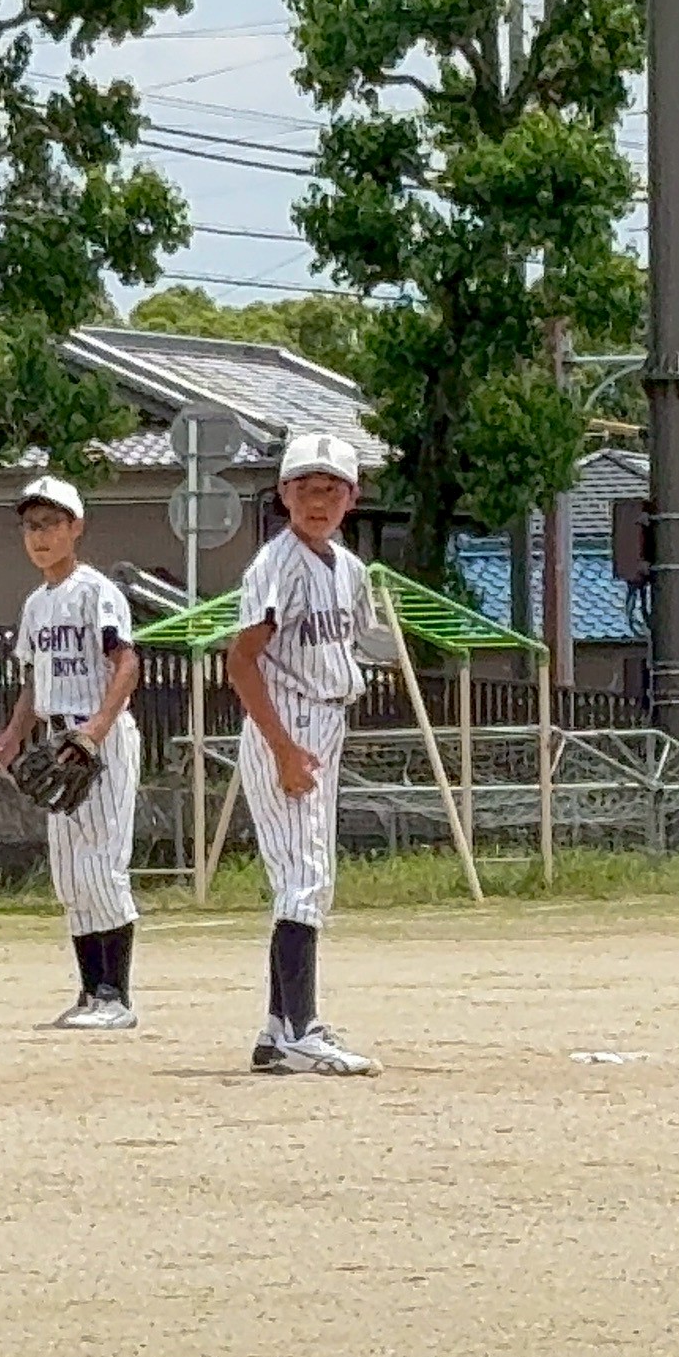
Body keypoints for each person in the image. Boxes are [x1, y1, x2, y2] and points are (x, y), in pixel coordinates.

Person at [229, 433, 381, 1076]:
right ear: (284, 494)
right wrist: (284, 748)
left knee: (307, 877)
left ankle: (276, 1032)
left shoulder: (349, 569)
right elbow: (242, 661)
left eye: (331, 489)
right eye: (306, 488)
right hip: (287, 720)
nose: (319, 501)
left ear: (353, 497)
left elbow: (358, 643)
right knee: (304, 876)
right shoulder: (277, 564)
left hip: (325, 719)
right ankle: (301, 1030)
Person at [0, 476, 143, 1031]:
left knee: (102, 864)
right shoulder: (37, 603)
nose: (40, 536)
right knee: (71, 874)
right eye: (31, 526)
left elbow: (126, 663)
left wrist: (95, 731)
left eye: (51, 524)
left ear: (76, 528)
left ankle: (115, 997)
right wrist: (14, 734)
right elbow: (36, 680)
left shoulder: (97, 592)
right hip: (58, 741)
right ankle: (89, 992)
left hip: (97, 738)